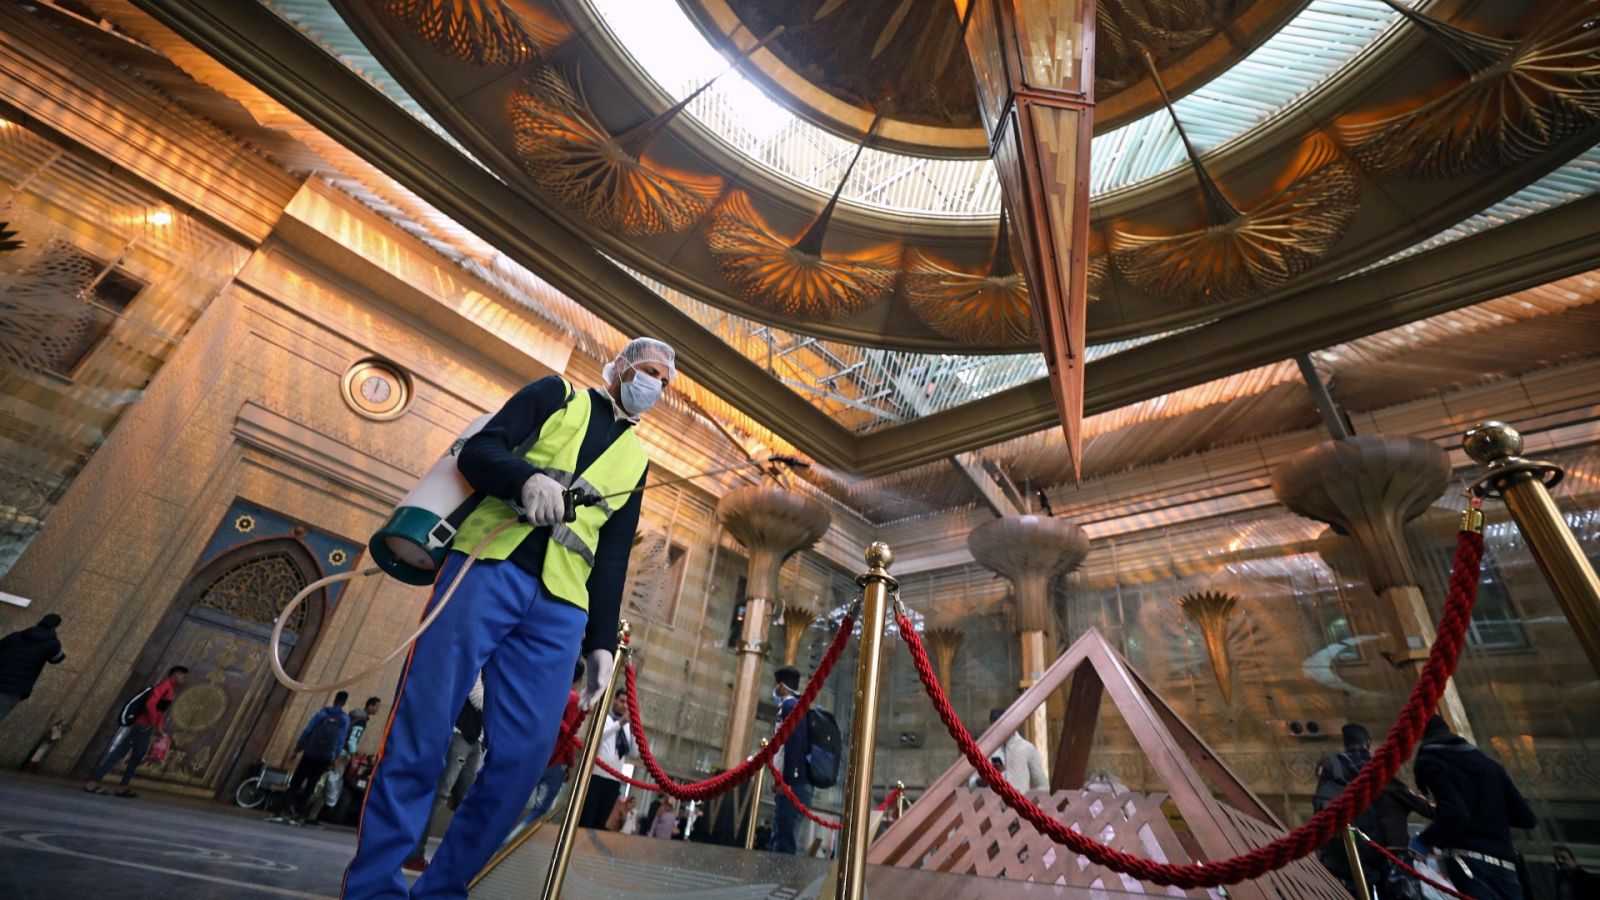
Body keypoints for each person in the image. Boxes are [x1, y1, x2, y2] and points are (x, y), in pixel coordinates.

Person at [343, 338, 669, 900]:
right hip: (486, 565)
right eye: (648, 370)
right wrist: (525, 479)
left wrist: (600, 644)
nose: (655, 385)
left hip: (562, 608)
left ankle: (443, 889)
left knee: (523, 760)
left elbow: (613, 557)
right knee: (424, 725)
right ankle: (374, 887)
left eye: (665, 381)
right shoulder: (556, 395)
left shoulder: (637, 462)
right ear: (619, 367)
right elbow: (479, 450)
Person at [1410, 715, 1537, 900]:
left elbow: (1455, 813)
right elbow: (1526, 818)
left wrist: (1422, 842)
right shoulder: (1491, 766)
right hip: (1506, 864)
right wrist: (1490, 815)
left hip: (1468, 862)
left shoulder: (1430, 762)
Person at [1313, 723, 1432, 897]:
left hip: (1347, 858)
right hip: (1388, 858)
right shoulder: (1381, 775)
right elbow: (1427, 809)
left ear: (1345, 745)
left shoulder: (1334, 775)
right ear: (1368, 744)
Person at [404, 678, 488, 873]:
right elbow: (477, 697)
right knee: (441, 794)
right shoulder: (479, 664)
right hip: (461, 735)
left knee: (468, 801)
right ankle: (414, 853)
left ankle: (455, 861)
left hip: (477, 740)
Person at [84, 665, 187, 797]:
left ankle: (122, 788)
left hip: (147, 728)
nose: (184, 679)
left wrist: (159, 729)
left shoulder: (170, 689)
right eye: (183, 676)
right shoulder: (164, 686)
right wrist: (151, 721)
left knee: (136, 757)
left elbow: (160, 712)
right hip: (142, 726)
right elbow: (150, 704)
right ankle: (92, 783)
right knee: (120, 753)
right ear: (176, 675)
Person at [522, 662, 586, 825]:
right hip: (556, 758)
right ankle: (512, 838)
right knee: (540, 810)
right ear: (580, 679)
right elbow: (569, 735)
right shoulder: (573, 698)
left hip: (536, 753)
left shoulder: (553, 690)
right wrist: (571, 764)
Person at [278, 692, 351, 825]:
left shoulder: (323, 713)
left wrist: (298, 749)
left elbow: (308, 730)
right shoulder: (344, 719)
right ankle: (299, 816)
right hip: (325, 756)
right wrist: (335, 756)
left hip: (310, 753)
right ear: (344, 703)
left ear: (335, 700)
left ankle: (282, 811)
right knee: (311, 786)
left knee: (296, 782)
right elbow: (341, 739)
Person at [768, 665, 811, 854]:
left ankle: (780, 874)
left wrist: (787, 781)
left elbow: (793, 744)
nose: (775, 689)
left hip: (792, 783)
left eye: (777, 684)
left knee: (783, 840)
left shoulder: (790, 706)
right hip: (792, 781)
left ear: (782, 686)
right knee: (782, 835)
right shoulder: (796, 706)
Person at [580, 692, 638, 829]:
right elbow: (597, 737)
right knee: (587, 818)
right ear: (614, 700)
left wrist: (634, 732)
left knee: (601, 822)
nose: (625, 705)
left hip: (614, 781)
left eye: (627, 703)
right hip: (596, 777)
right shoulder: (604, 718)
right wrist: (620, 723)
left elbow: (634, 753)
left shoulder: (626, 727)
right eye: (622, 701)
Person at [0, 613, 66, 726]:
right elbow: (57, 659)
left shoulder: (16, 636)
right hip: (15, 689)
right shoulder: (52, 643)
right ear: (56, 626)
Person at [300, 755, 349, 829]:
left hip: (332, 760)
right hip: (337, 761)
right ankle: (307, 815)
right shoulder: (339, 759)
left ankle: (303, 813)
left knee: (319, 791)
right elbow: (349, 748)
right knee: (323, 793)